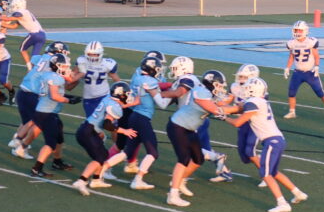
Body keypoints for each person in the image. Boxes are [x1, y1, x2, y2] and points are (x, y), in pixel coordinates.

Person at [220, 77, 308, 212]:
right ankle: (298, 193)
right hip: (277, 140)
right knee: (274, 172)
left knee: (265, 173)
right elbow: (237, 109)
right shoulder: (260, 101)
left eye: (247, 88)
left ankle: (282, 203)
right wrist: (218, 108)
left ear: (252, 90)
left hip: (271, 141)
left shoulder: (252, 102)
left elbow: (238, 122)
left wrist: (224, 118)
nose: (244, 90)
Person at [162, 63, 240, 207]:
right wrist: (237, 108)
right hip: (178, 126)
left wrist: (241, 108)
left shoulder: (209, 94)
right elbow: (216, 110)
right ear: (211, 83)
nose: (221, 88)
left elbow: (222, 105)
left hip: (189, 129)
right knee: (184, 159)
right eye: (219, 85)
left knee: (198, 159)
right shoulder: (200, 92)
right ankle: (173, 194)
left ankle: (179, 182)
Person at [99, 54, 170, 190]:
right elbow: (162, 104)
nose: (160, 70)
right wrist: (174, 95)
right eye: (158, 68)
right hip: (142, 118)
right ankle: (138, 180)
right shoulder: (150, 81)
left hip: (134, 116)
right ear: (152, 69)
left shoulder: (138, 78)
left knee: (127, 151)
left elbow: (143, 95)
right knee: (153, 152)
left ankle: (101, 170)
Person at [159, 56, 230, 181]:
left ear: (182, 68)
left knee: (189, 149)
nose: (173, 71)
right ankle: (223, 170)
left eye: (175, 68)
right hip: (197, 117)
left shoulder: (187, 79)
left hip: (191, 119)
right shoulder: (188, 80)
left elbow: (178, 93)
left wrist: (157, 93)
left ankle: (216, 158)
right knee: (201, 148)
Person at [8, 41, 73, 162]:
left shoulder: (40, 57)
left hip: (23, 91)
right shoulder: (54, 63)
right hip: (33, 93)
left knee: (29, 121)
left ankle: (18, 140)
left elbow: (34, 64)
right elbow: (69, 80)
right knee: (38, 121)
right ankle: (20, 145)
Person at [71, 82, 138, 196]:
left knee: (104, 154)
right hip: (88, 131)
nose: (129, 96)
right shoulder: (115, 107)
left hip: (87, 129)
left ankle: (96, 180)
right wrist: (124, 131)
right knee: (99, 158)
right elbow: (108, 125)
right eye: (127, 94)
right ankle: (81, 181)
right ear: (120, 95)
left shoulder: (108, 98)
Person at [29, 53, 79, 178]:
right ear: (56, 66)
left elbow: (53, 92)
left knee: (59, 137)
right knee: (50, 143)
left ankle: (57, 162)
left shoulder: (48, 75)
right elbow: (54, 96)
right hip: (47, 113)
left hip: (46, 111)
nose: (66, 68)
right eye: (64, 66)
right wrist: (69, 100)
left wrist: (68, 96)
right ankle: (37, 168)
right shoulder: (56, 78)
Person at [283, 20, 324, 119]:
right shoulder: (291, 43)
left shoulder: (310, 42)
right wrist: (287, 67)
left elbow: (316, 56)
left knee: (320, 93)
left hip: (310, 72)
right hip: (297, 73)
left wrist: (317, 66)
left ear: (305, 31)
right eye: (296, 30)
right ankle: (292, 112)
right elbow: (291, 56)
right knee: (291, 92)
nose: (297, 32)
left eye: (299, 30)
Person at [0, 0, 46, 71]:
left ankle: (29, 67)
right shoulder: (26, 13)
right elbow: (14, 26)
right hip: (42, 35)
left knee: (22, 49)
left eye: (13, 6)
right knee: (34, 56)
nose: (12, 7)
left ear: (18, 6)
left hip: (34, 34)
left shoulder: (21, 12)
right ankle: (35, 69)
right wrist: (2, 24)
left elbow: (11, 18)